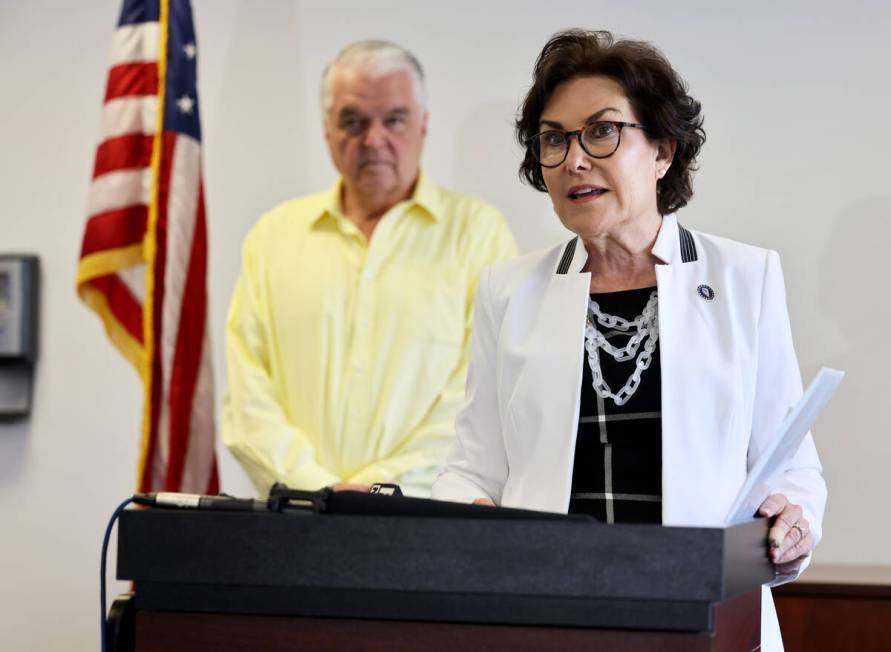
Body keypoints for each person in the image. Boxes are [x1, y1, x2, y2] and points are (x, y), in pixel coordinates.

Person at [432, 30, 825, 650]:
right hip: (552, 615)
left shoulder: (745, 279)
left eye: (603, 131)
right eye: (554, 139)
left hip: (702, 617)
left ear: (663, 150)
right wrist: (472, 519)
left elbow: (792, 471)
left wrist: (794, 525)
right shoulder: (508, 292)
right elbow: (471, 467)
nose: (574, 160)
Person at [224, 40, 516, 497]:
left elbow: (480, 398)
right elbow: (248, 402)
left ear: (423, 127)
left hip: (423, 525)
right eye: (353, 121)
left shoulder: (478, 234)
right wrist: (320, 489)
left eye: (394, 119)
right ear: (327, 131)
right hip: (295, 523)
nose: (374, 139)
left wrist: (385, 491)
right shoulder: (272, 237)